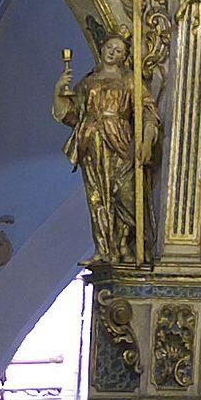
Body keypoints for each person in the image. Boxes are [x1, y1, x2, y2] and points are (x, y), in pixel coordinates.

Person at [54, 34, 161, 261]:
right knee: (97, 197)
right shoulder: (87, 82)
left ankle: (125, 244)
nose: (113, 52)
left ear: (125, 57)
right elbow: (73, 115)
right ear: (102, 48)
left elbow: (148, 111)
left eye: (119, 50)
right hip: (92, 141)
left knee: (125, 193)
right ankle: (104, 250)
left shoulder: (130, 80)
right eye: (110, 47)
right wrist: (59, 91)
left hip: (121, 139)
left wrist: (146, 140)